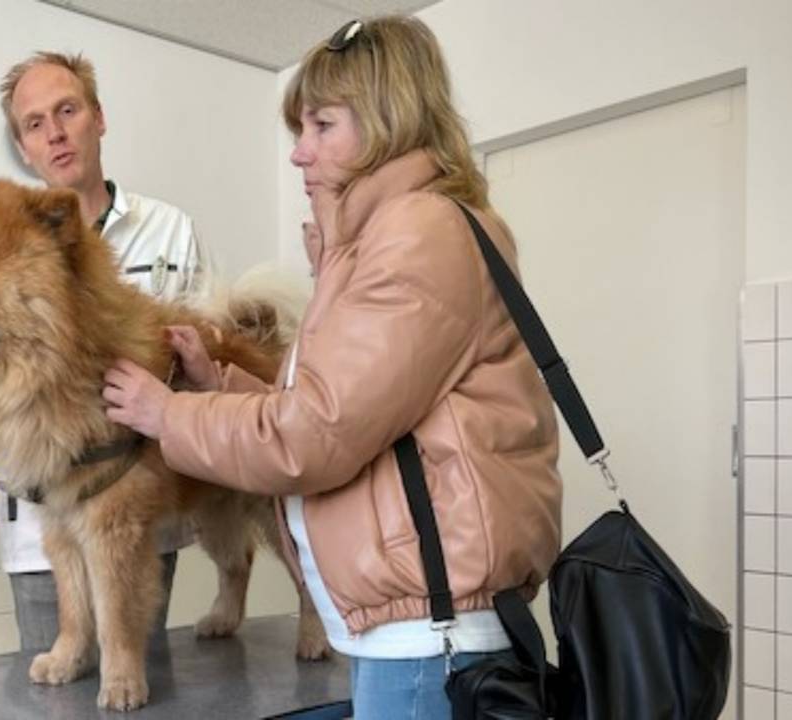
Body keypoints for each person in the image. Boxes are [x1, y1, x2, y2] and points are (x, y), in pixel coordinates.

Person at [102, 15, 562, 720]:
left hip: (428, 638)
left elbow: (314, 435)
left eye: (321, 126)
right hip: (425, 625)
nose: (299, 154)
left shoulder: (418, 235)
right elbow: (343, 409)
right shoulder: (407, 232)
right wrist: (218, 385)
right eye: (298, 131)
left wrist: (169, 415)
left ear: (385, 121)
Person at [0, 51, 212, 651]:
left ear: (99, 117)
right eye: (34, 123)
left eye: (68, 110)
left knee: (134, 676)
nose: (55, 133)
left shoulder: (170, 231)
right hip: (43, 519)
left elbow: (201, 367)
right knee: (56, 687)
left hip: (139, 511)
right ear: (22, 147)